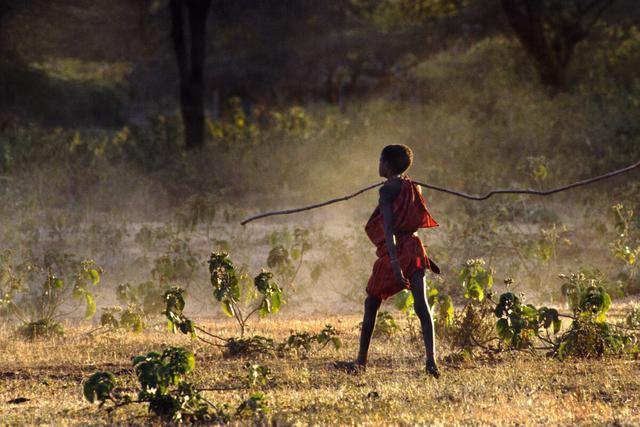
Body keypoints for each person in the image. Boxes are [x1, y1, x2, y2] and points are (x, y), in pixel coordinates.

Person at [335, 144, 441, 378]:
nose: (378, 164)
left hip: (398, 251)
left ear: (388, 165)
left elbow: (389, 228)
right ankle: (431, 361)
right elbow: (411, 222)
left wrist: (393, 263)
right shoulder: (413, 187)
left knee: (371, 303)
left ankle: (360, 363)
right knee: (422, 305)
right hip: (414, 248)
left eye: (380, 161)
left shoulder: (387, 191)